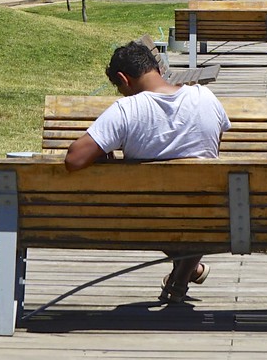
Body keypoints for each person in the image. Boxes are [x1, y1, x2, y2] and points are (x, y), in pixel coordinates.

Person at [64, 39, 230, 303]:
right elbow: (213, 152)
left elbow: (74, 159)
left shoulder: (127, 109)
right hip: (210, 212)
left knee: (139, 206)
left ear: (123, 78)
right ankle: (184, 275)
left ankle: (183, 275)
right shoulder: (205, 98)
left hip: (148, 216)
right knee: (198, 211)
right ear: (159, 69)